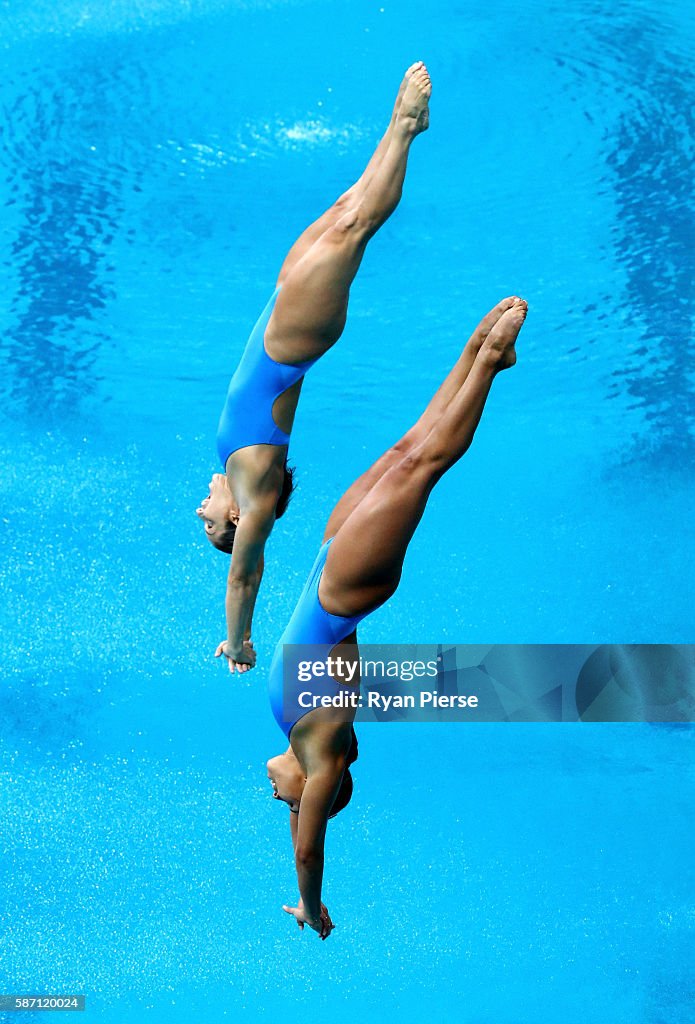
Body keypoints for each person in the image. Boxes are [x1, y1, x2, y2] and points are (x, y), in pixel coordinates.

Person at [266, 296, 529, 938]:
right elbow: (307, 846)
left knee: (407, 446)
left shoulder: (306, 750)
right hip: (346, 591)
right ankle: (491, 364)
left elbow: (295, 825)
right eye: (290, 804)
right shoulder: (321, 751)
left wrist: (303, 814)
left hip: (326, 571)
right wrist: (311, 903)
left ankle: (475, 349)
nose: (271, 797)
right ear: (313, 794)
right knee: (422, 467)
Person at [196, 63, 432, 674]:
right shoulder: (256, 497)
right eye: (212, 526)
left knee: (345, 208)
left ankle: (400, 126)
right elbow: (244, 576)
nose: (202, 511)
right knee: (356, 226)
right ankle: (406, 128)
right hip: (293, 340)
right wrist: (240, 640)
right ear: (240, 521)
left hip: (279, 315)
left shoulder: (237, 472)